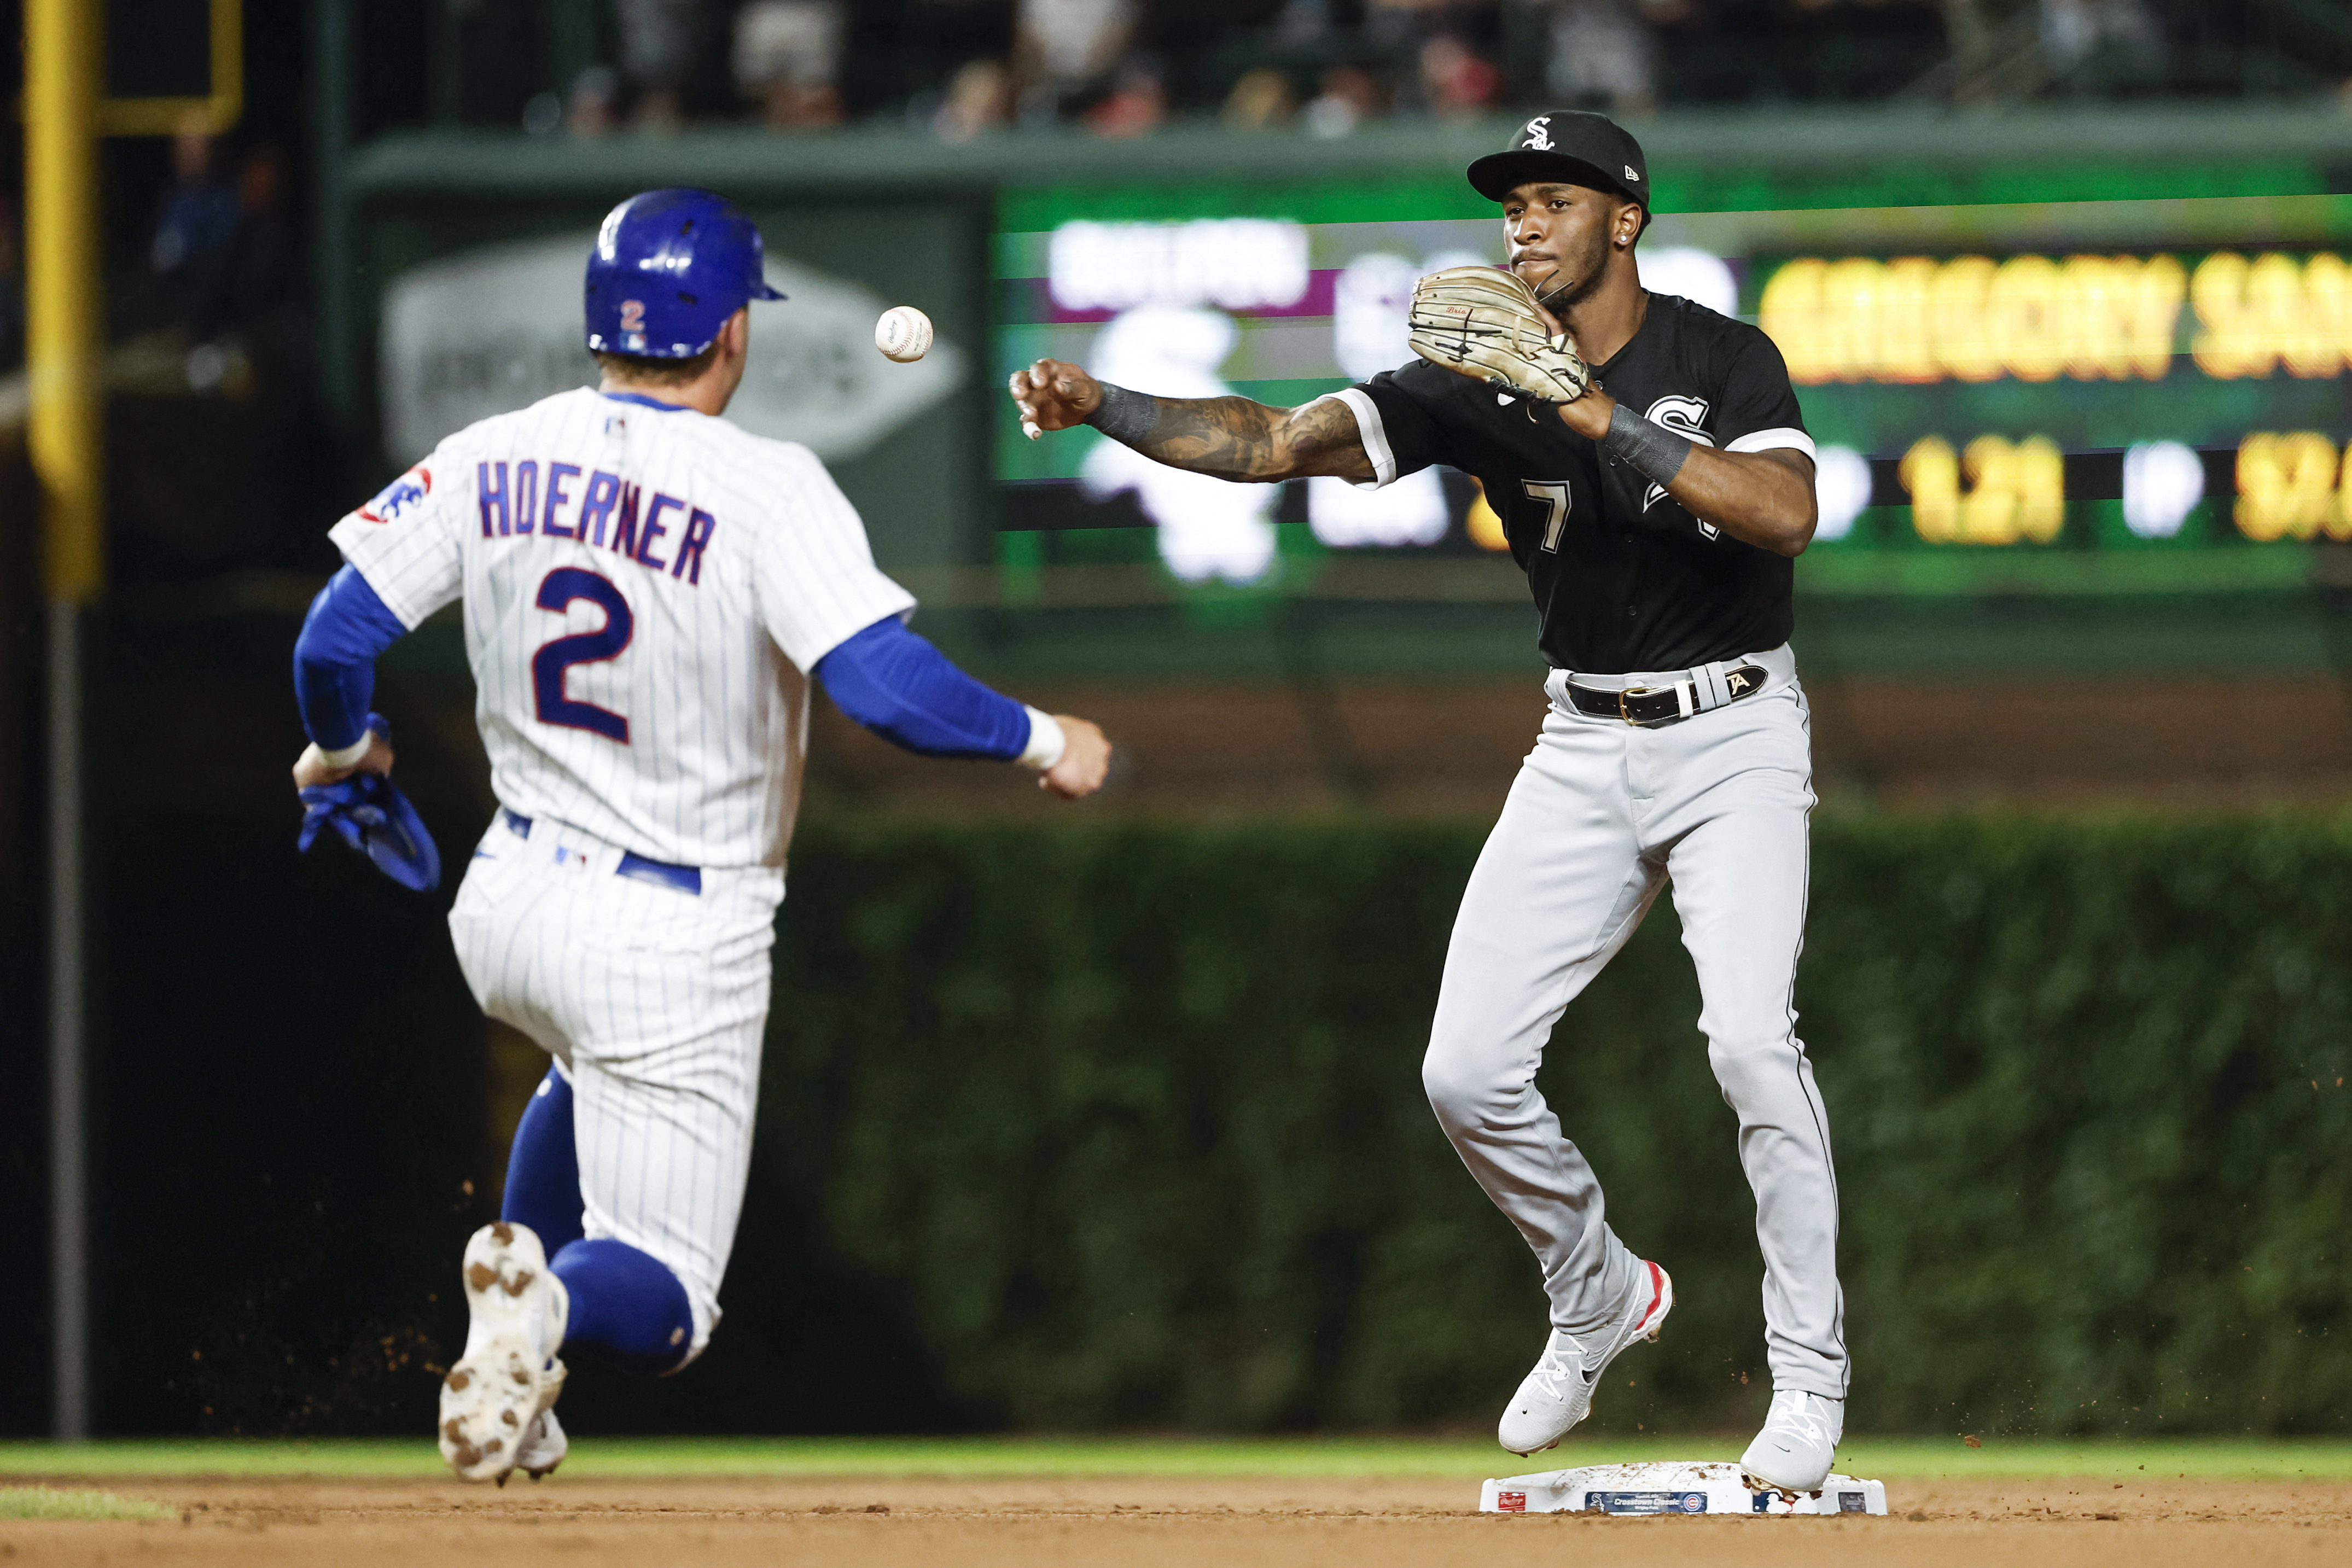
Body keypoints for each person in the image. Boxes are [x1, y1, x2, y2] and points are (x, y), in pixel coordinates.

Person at [1009, 112, 1846, 1493]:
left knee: (1752, 1043)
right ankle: (1597, 1292)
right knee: (1461, 1071)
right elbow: (1270, 440)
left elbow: (1782, 514)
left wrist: (1589, 411)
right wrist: (1106, 406)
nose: (1520, 223)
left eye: (1550, 200)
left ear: (1621, 220)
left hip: (1734, 728)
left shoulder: (1716, 354)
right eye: (1509, 203)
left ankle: (1808, 1378)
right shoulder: (1467, 381)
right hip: (1579, 737)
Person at [292, 189, 1112, 1484]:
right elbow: (881, 690)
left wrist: (343, 753)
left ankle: (525, 1372)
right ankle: (545, 1312)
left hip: (505, 902)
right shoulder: (764, 486)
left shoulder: (492, 446)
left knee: (580, 1073)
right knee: (670, 1303)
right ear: (731, 328)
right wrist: (1040, 738)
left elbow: (331, 638)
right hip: (670, 924)